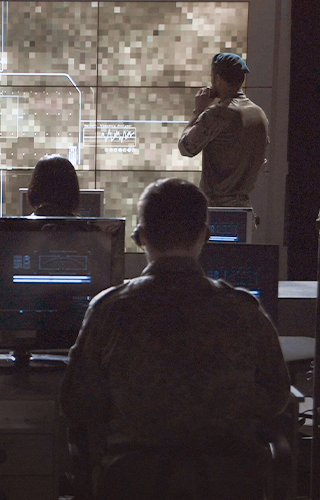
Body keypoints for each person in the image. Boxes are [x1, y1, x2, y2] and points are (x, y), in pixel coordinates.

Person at [60, 178, 290, 499]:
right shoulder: (244, 310)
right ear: (205, 236)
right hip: (228, 483)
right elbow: (277, 397)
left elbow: (76, 404)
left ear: (140, 237)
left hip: (131, 482)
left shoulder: (108, 311)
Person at [178, 53, 269, 208]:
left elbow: (186, 147)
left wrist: (198, 111)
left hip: (218, 209)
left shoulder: (218, 114)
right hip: (244, 208)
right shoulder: (259, 114)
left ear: (218, 79)